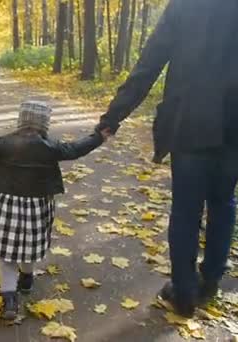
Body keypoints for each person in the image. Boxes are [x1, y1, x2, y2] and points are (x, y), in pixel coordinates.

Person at [96, 0, 238, 317]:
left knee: (186, 209)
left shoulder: (185, 7)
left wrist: (114, 115)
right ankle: (211, 280)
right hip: (234, 128)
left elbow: (150, 63)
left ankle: (184, 292)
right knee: (224, 200)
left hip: (190, 123)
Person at [0, 101, 110, 319]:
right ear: (44, 123)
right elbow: (76, 149)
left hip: (7, 205)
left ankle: (10, 299)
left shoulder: (4, 143)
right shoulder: (52, 146)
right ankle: (27, 278)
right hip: (37, 206)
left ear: (21, 120)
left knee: (7, 253)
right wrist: (99, 136)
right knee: (29, 245)